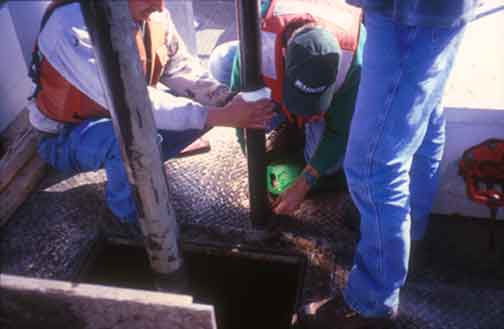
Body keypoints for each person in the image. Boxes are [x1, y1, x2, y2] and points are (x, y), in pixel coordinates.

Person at [298, 1, 478, 328]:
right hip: (439, 13)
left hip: (408, 14)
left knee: (371, 167)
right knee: (425, 115)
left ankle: (371, 300)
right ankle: (410, 229)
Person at [27, 0, 274, 235]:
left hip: (123, 114)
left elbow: (181, 70)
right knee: (134, 141)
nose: (160, 6)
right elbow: (131, 103)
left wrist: (229, 102)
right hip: (66, 135)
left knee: (204, 115)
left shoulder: (152, 13)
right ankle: (126, 223)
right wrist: (218, 115)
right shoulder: (69, 27)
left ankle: (147, 160)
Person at [209, 0, 365, 215]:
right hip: (274, 74)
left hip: (323, 108)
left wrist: (304, 183)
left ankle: (302, 125)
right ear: (283, 53)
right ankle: (284, 120)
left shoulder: (354, 58)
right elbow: (240, 110)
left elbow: (339, 132)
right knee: (219, 62)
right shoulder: (259, 35)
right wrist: (254, 163)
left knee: (330, 166)